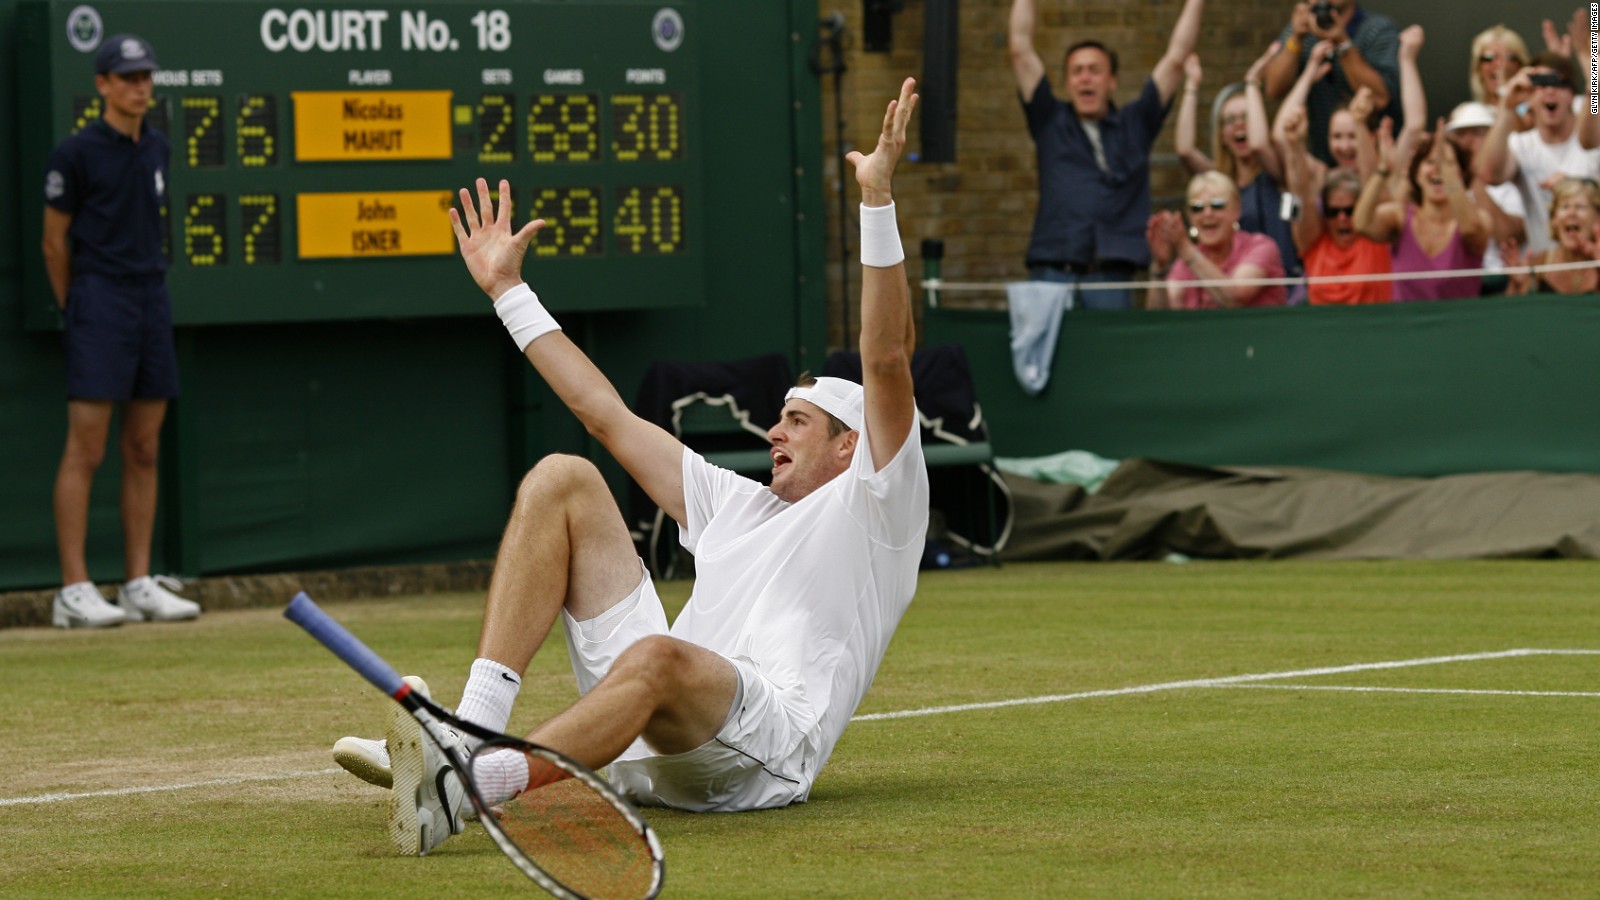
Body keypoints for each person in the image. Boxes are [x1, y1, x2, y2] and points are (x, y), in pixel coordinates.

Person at [329, 79, 931, 856]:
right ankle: (470, 738)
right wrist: (509, 291)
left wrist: (876, 200)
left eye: (798, 422)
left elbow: (885, 358)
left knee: (656, 657)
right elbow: (603, 414)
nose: (775, 431)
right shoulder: (738, 505)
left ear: (851, 445)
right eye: (779, 417)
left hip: (758, 752)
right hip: (657, 740)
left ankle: (472, 787)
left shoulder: (880, 505)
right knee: (563, 477)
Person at [42, 34, 200, 629]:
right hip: (98, 301)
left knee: (144, 447)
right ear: (103, 85)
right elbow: (53, 243)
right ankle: (73, 590)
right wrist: (79, 308)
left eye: (145, 76)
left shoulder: (157, 146)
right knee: (87, 447)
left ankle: (137, 582)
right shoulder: (75, 153)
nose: (140, 86)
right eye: (127, 77)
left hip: (150, 300)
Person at [1007, 0, 1205, 309]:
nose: (1085, 78)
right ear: (1068, 83)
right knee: (1043, 360)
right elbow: (1020, 48)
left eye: (1095, 70)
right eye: (1077, 72)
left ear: (1111, 81)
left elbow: (1176, 59)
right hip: (1051, 271)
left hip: (1111, 276)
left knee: (1109, 357)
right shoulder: (1049, 119)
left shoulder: (1136, 123)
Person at [1175, 46, 1303, 298]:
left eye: (1246, 116)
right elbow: (1184, 149)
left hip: (1280, 288)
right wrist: (1191, 86)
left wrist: (1253, 82)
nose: (1239, 125)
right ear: (1221, 134)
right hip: (1234, 287)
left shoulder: (1275, 171)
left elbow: (1258, 143)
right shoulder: (1220, 180)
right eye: (1230, 120)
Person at [1478, 52, 1600, 256]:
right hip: (1545, 274)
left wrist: (1572, 187)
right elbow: (1490, 175)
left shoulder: (1593, 139)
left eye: (1559, 84)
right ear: (1529, 97)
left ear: (1572, 95)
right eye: (1540, 85)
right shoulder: (1521, 145)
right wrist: (1507, 108)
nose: (1550, 91)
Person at [1354, 123, 1491, 301]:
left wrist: (1447, 173)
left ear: (1462, 174)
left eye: (1447, 162)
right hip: (1406, 326)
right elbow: (1361, 223)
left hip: (1461, 326)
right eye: (1429, 162)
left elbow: (1471, 230)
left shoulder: (1480, 219)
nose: (1438, 168)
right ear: (1416, 174)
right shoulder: (1400, 217)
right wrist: (1383, 169)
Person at [1263, 0, 1401, 166]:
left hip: (1374, 160)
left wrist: (1342, 42)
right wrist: (1296, 37)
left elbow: (1380, 98)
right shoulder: (1303, 29)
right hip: (1321, 160)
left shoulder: (1378, 29)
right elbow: (1273, 90)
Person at [1282, 108, 1393, 304]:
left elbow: (1372, 189)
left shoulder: (1377, 240)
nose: (1342, 218)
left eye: (1351, 211)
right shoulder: (1316, 243)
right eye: (1333, 211)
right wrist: (1296, 145)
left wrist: (1360, 124)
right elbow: (1301, 193)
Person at [1145, 171, 1288, 309]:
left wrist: (1184, 247)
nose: (1207, 214)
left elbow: (1236, 298)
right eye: (1197, 208)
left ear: (1237, 210)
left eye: (1217, 205)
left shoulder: (1261, 246)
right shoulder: (1185, 263)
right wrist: (1159, 267)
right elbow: (1161, 314)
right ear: (1189, 216)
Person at [1506, 177, 1600, 295]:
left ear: (1598, 218)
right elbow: (1514, 310)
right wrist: (1517, 285)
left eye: (1580, 207)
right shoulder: (1541, 262)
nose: (1571, 213)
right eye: (1564, 207)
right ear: (1554, 219)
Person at [1468, 24, 1531, 132]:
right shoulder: (1470, 114)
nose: (1499, 64)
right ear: (1478, 68)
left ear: (1521, 65)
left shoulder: (1530, 110)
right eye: (1489, 58)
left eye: (1509, 57)